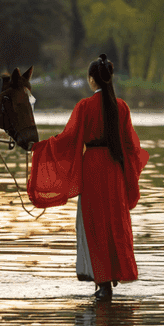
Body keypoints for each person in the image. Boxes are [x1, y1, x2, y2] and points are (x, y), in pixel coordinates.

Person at [27, 54, 149, 300]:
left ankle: (102, 283)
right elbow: (132, 146)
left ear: (92, 80)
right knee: (115, 222)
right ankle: (114, 275)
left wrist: (39, 148)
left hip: (92, 167)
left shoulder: (85, 106)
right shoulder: (121, 106)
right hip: (114, 169)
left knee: (95, 225)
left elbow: (67, 140)